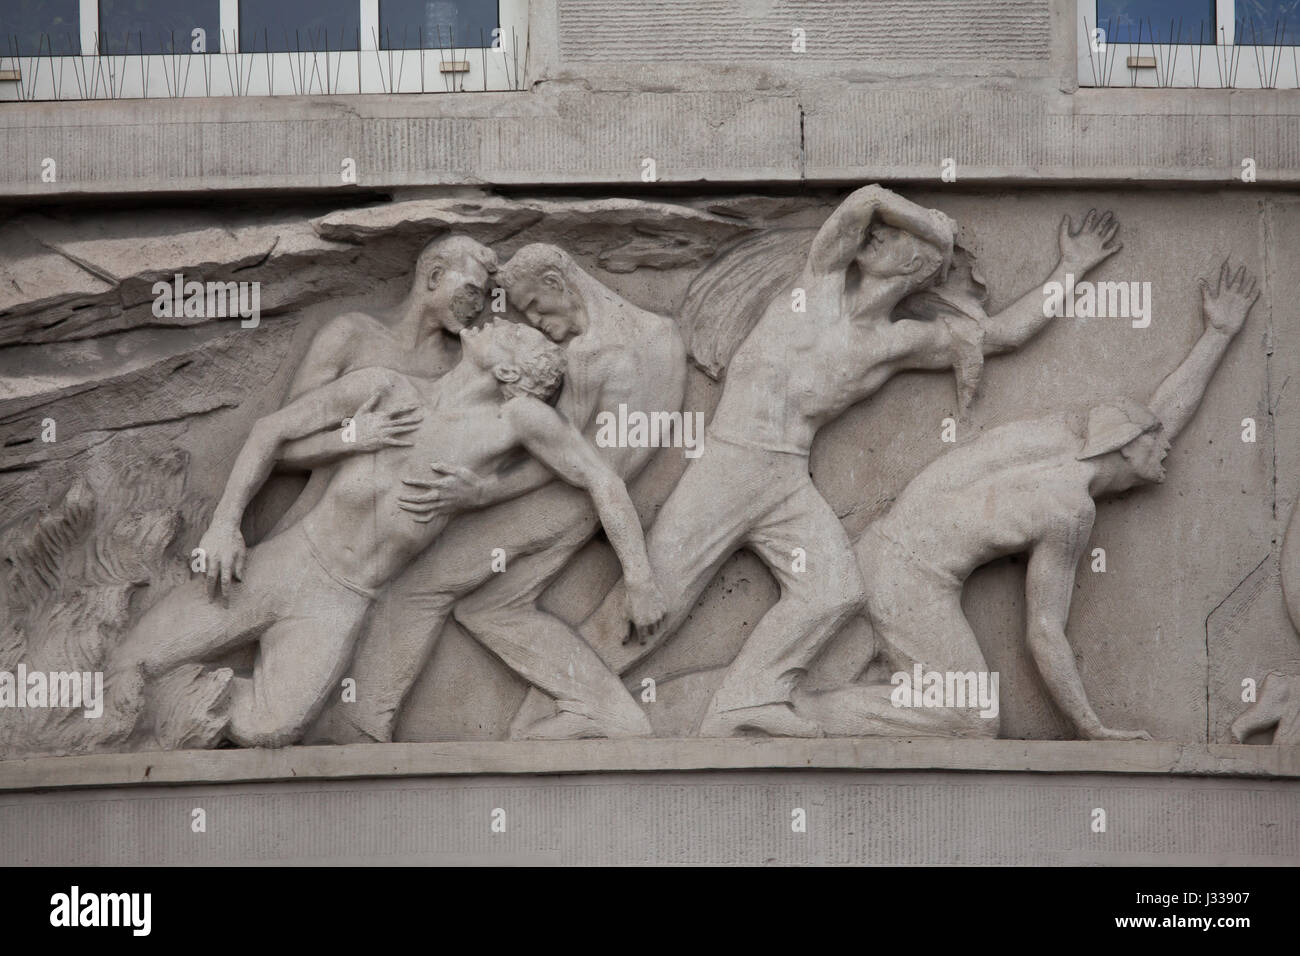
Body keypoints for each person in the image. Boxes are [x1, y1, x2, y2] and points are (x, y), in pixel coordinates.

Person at [567, 185, 1124, 737]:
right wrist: (935, 228)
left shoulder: (897, 343)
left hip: (785, 476)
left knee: (834, 590)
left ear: (916, 267)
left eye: (891, 239)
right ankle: (568, 699)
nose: (875, 236)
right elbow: (866, 200)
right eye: (883, 233)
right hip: (731, 460)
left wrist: (1070, 268)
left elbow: (1001, 335)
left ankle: (747, 700)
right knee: (658, 595)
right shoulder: (821, 282)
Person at [109, 319, 666, 748]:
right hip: (281, 564)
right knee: (132, 659)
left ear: (510, 377)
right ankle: (116, 715)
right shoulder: (385, 388)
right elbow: (271, 431)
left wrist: (639, 577)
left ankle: (166, 711)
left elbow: (601, 480)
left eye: (516, 333)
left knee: (267, 729)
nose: (501, 320)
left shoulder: (514, 421)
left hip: (340, 602)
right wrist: (226, 523)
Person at [795, 262, 1259, 739]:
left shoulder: (1061, 434)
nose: (1167, 445)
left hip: (876, 553)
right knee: (971, 720)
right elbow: (1043, 631)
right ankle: (803, 713)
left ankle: (822, 700)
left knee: (895, 685)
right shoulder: (1070, 509)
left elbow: (1156, 418)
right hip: (909, 581)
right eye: (1153, 439)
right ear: (1123, 444)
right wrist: (1088, 725)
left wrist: (1218, 335)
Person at [312, 243, 687, 742]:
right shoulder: (663, 336)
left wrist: (483, 491)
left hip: (562, 503)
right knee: (490, 607)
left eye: (533, 306)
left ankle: (362, 726)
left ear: (558, 284)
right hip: (587, 507)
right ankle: (603, 710)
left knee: (418, 587)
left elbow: (581, 466)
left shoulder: (590, 356)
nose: (535, 323)